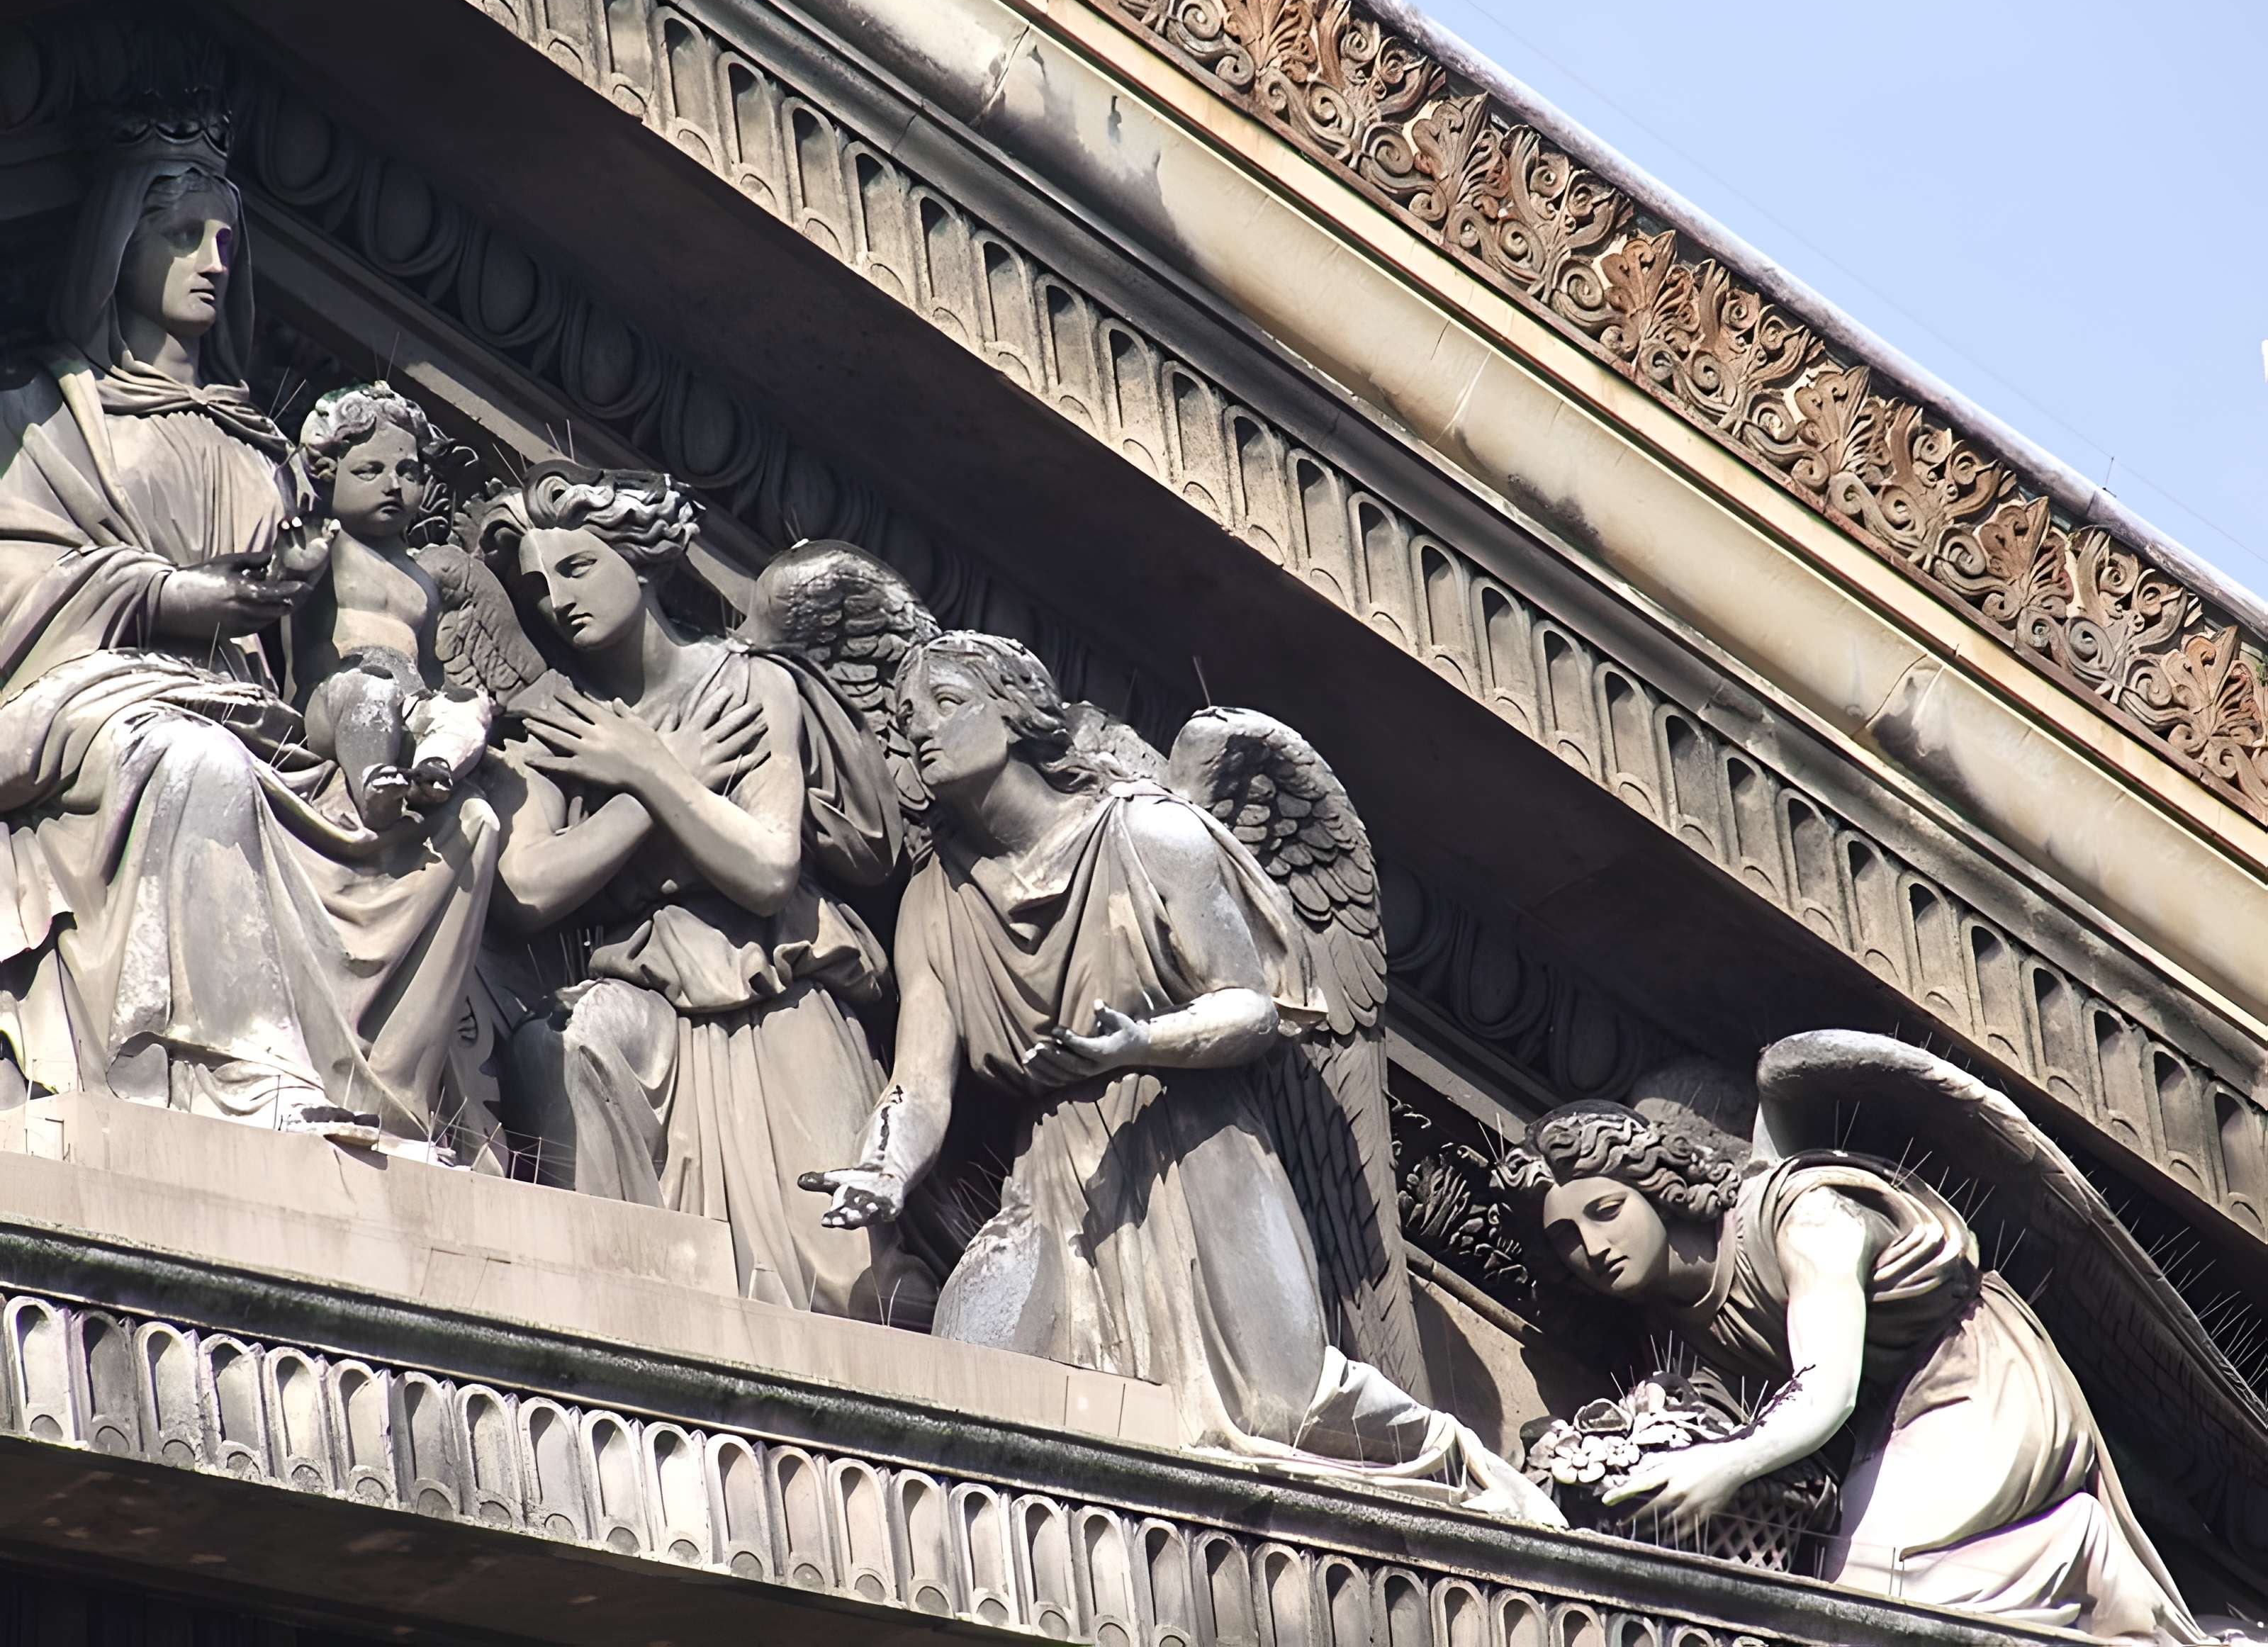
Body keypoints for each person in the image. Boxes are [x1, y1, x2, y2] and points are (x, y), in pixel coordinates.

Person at [802, 632, 1556, 1517]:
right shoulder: (936, 898)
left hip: (1198, 1149)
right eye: (902, 719)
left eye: (945, 704)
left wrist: (1137, 1045)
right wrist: (886, 1169)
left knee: (1282, 1409)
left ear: (1015, 712)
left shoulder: (1150, 834)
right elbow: (919, 1081)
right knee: (977, 1362)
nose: (918, 732)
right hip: (1058, 1180)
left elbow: (1252, 1007)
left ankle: (1466, 1475)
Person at [0, 106, 498, 1141]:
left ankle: (391, 1105)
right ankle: (245, 1073)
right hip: (96, 697)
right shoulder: (40, 410)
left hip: (253, 707)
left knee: (462, 829)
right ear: (113, 244)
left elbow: (314, 654)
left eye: (228, 239)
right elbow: (16, 584)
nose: (215, 261)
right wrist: (175, 595)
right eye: (181, 234)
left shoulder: (264, 446)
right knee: (197, 763)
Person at [483, 461, 933, 1322]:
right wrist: (655, 786)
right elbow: (525, 891)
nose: (554, 601)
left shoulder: (749, 681)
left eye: (577, 568)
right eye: (535, 586)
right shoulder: (554, 721)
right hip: (645, 996)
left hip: (777, 994)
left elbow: (765, 870)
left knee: (841, 1294)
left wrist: (652, 772)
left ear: (643, 560)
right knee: (558, 1046)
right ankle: (620, 1313)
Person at [1518, 1100, 2214, 1642]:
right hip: (1883, 1429)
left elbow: (1826, 1385)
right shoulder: (1672, 1319)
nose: (1591, 1246)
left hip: (1974, 1377)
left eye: (1605, 1211)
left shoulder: (1800, 1219)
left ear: (1660, 1187)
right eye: (1564, 1239)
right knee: (1844, 1596)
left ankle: (2076, 1549)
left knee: (1862, 1591)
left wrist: (1724, 1466)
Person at [286, 382, 493, 829]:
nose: (393, 486)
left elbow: (431, 667)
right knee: (370, 688)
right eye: (370, 471)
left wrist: (444, 702)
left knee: (470, 705)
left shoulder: (421, 580)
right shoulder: (324, 544)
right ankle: (372, 789)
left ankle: (433, 768)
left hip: (410, 702)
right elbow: (287, 617)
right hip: (336, 696)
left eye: (409, 472)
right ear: (327, 471)